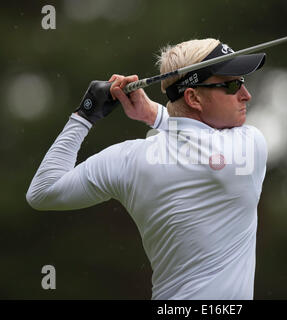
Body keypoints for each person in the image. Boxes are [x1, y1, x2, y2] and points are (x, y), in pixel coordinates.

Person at [26, 38, 268, 300]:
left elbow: (42, 192)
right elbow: (194, 142)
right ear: (194, 97)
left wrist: (85, 114)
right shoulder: (247, 147)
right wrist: (152, 113)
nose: (246, 94)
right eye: (232, 85)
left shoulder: (129, 159)